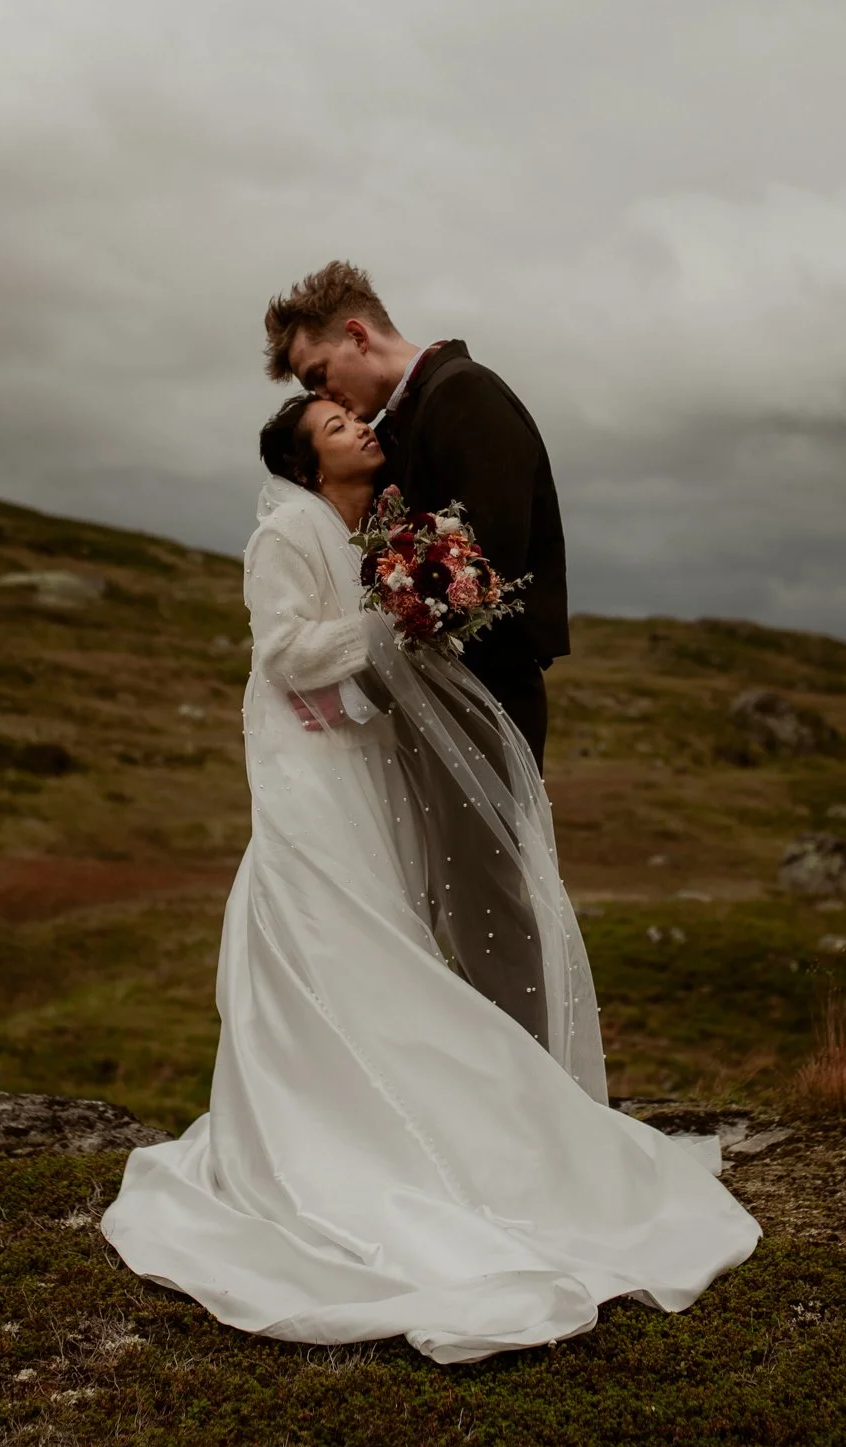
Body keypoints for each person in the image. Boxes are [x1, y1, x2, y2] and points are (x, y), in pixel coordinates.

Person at [97, 392, 757, 1366]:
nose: (360, 428)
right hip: (307, 768)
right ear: (305, 461)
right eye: (335, 427)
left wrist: (399, 611)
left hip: (355, 754)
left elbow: (355, 666)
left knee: (385, 925)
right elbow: (283, 653)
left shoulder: (365, 532)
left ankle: (441, 1119)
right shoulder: (284, 531)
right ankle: (339, 1128)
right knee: (331, 922)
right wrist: (387, 621)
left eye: (354, 420)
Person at [263, 261, 566, 770]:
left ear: (357, 335)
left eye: (319, 376)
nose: (321, 398)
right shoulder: (398, 427)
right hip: (433, 711)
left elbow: (480, 576)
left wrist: (362, 695)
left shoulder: (464, 393)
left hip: (485, 703)